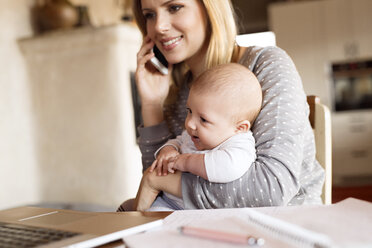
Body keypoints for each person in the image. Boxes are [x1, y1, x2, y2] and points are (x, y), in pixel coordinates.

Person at [117, 0, 325, 212]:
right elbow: (157, 193)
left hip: (285, 226)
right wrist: (152, 104)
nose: (159, 26)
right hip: (202, 227)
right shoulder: (178, 90)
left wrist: (161, 182)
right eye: (150, 14)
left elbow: (271, 191)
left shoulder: (266, 65)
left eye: (174, 7)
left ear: (210, 9)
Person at [139, 63, 262, 211]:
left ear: (239, 127)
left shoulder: (240, 143)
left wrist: (186, 162)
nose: (190, 123)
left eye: (203, 119)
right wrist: (169, 149)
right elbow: (179, 140)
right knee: (138, 215)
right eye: (189, 111)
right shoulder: (195, 134)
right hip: (168, 202)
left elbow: (229, 167)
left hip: (198, 208)